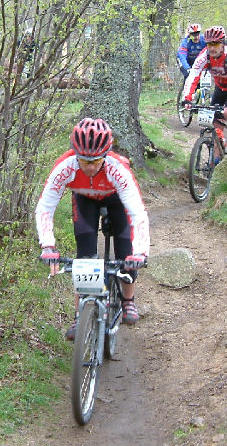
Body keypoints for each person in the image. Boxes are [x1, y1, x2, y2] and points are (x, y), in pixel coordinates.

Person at [36, 118, 150, 341]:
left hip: (116, 201)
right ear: (75, 154)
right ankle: (80, 316)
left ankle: (128, 300)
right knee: (84, 254)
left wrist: (140, 252)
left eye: (96, 161)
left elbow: (137, 213)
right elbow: (45, 207)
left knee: (125, 251)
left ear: (106, 155)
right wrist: (48, 245)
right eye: (84, 160)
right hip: (85, 200)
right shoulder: (65, 166)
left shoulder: (118, 169)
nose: (89, 166)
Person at [181, 25, 227, 157]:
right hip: (221, 88)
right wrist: (187, 98)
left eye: (216, 44)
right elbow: (193, 75)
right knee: (216, 125)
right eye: (209, 44)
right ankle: (217, 161)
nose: (212, 48)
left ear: (222, 43)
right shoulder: (204, 56)